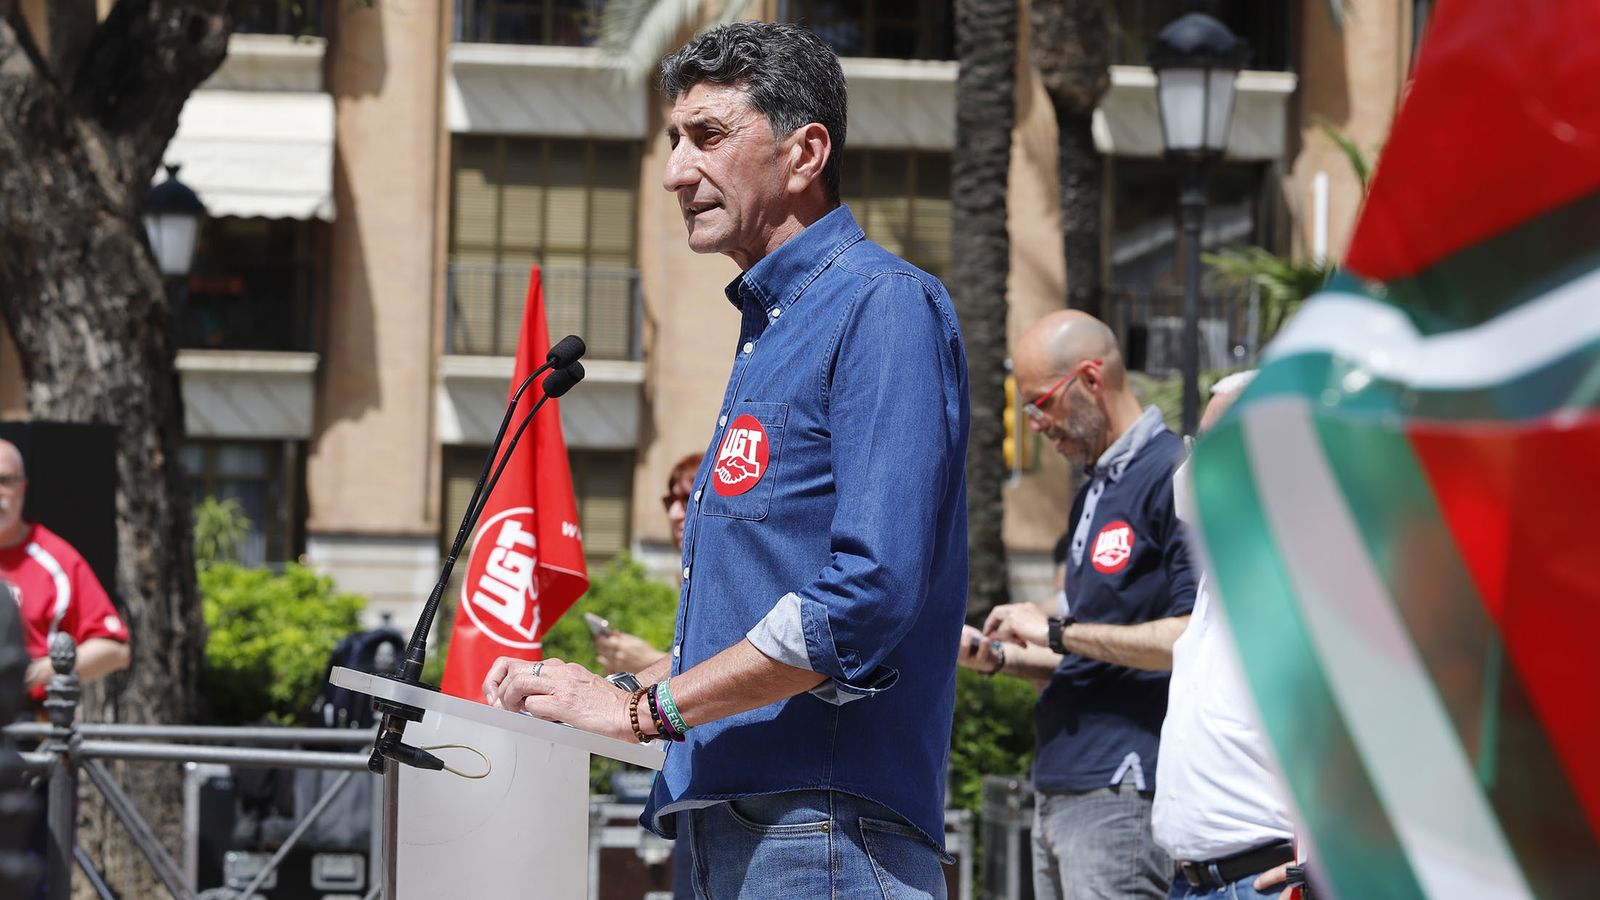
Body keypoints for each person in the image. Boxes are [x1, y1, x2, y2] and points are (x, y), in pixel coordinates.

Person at [485, 21, 969, 899]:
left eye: (707, 135)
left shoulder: (881, 307)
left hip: (820, 833)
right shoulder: (773, 333)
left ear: (805, 151)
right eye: (674, 139)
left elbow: (865, 600)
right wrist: (599, 688)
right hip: (734, 829)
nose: (675, 169)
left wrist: (644, 712)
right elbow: (753, 631)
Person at [962, 310, 1195, 900]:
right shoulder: (1095, 488)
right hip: (1061, 785)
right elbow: (1095, 653)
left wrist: (1058, 630)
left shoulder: (1175, 473)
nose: (1035, 423)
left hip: (1123, 788)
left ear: (1091, 379)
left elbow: (1195, 638)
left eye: (1042, 402)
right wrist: (995, 657)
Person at [1157, 371, 1301, 899]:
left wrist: (1317, 866)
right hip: (1197, 881)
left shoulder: (1305, 574)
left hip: (1264, 881)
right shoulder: (1222, 571)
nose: (1193, 462)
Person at [0, 439, 129, 700]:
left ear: (23, 488)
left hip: (28, 726)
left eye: (4, 481)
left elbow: (115, 650)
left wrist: (39, 672)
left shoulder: (55, 559)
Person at [592, 452, 701, 675]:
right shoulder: (690, 577)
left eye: (686, 499)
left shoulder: (730, 578)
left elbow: (730, 672)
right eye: (670, 501)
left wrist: (648, 661)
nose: (673, 513)